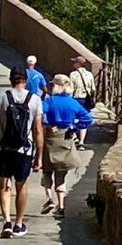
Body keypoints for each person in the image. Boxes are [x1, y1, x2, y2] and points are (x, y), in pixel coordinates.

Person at [0, 66, 43, 238]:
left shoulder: (2, 97)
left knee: (4, 186)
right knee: (21, 186)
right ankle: (19, 223)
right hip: (24, 150)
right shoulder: (35, 99)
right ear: (26, 80)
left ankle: (6, 222)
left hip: (3, 148)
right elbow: (38, 130)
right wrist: (39, 156)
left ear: (11, 80)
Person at [41, 74, 93, 218]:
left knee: (46, 171)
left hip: (51, 138)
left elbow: (40, 114)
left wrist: (47, 125)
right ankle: (61, 206)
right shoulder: (73, 103)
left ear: (56, 86)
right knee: (61, 175)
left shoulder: (49, 100)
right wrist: (74, 127)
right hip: (66, 138)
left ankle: (49, 199)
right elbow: (87, 119)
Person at [68, 54, 96, 149]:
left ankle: (74, 137)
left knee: (73, 119)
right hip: (86, 100)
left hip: (76, 98)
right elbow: (93, 89)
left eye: (74, 62)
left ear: (78, 64)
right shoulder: (90, 74)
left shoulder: (73, 74)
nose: (73, 64)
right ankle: (81, 142)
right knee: (84, 120)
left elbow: (71, 89)